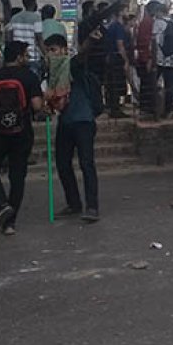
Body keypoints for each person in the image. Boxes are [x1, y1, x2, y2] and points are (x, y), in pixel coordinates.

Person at [0, 41, 45, 236]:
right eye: (25, 55)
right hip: (22, 133)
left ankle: (2, 203)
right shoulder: (29, 77)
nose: (27, 58)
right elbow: (37, 106)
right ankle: (10, 223)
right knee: (17, 176)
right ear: (20, 57)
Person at [45, 34, 101, 223]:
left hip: (83, 120)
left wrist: (90, 40)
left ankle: (92, 206)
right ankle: (74, 203)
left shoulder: (71, 66)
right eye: (48, 51)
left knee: (86, 164)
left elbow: (82, 55)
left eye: (54, 50)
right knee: (62, 163)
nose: (51, 55)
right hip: (66, 122)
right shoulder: (53, 74)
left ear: (63, 50)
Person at [152, 3, 173, 118]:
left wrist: (152, 58)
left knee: (152, 83)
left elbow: (154, 43)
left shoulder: (158, 23)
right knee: (169, 86)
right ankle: (168, 110)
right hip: (172, 61)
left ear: (159, 12)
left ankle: (152, 108)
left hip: (159, 60)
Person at [6, 0, 45, 78]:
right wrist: (45, 55)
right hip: (32, 57)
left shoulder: (14, 18)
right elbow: (39, 39)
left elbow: (9, 36)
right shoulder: (36, 18)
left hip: (18, 58)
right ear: (34, 3)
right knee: (33, 83)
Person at [104, 3, 132, 118]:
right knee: (117, 83)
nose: (127, 13)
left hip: (110, 57)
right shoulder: (118, 27)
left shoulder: (112, 26)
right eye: (126, 10)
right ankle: (115, 109)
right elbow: (120, 45)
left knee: (112, 83)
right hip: (116, 58)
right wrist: (126, 60)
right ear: (120, 13)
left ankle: (112, 107)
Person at [134, 1, 160, 118]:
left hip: (144, 56)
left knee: (147, 83)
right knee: (148, 83)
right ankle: (146, 108)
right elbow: (147, 42)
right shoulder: (148, 22)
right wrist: (149, 57)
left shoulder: (145, 21)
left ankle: (146, 108)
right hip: (146, 58)